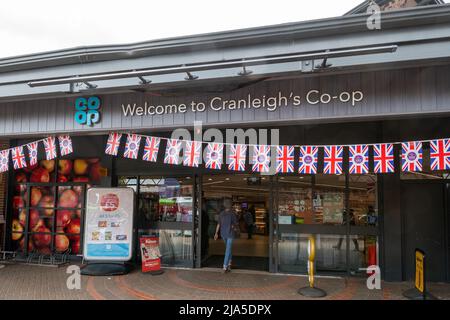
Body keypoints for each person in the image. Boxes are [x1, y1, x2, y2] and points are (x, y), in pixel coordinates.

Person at [214, 198, 238, 273]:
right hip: (229, 233)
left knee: (228, 249)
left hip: (223, 233)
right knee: (228, 249)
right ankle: (227, 264)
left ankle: (227, 265)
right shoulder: (232, 213)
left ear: (224, 205)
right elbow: (235, 224)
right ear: (230, 205)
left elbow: (218, 224)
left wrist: (216, 233)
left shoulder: (221, 213)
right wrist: (233, 227)